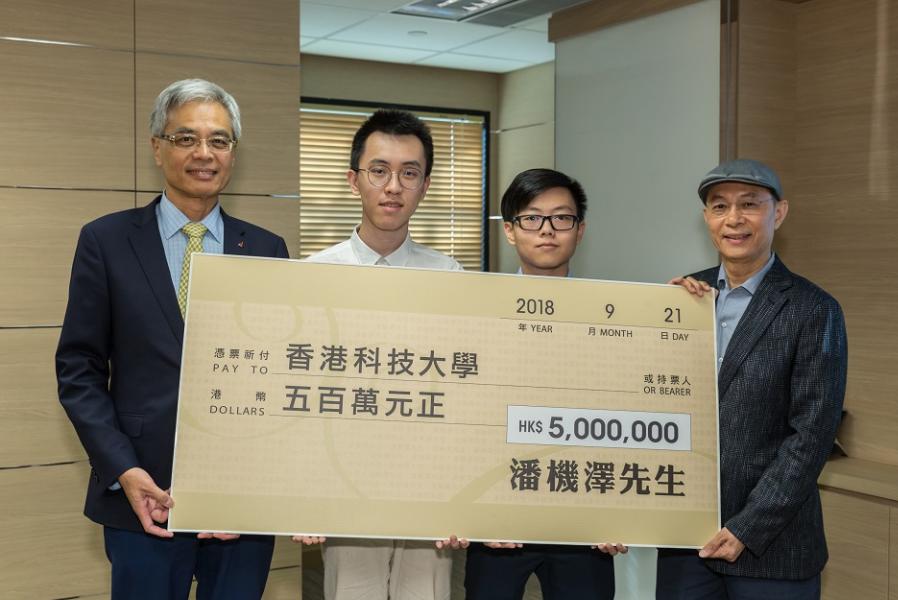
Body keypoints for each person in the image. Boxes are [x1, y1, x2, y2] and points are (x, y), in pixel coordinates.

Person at [55, 78, 288, 600]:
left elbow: (280, 376)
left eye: (220, 140)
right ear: (157, 147)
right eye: (187, 139)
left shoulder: (268, 249)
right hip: (141, 493)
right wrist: (123, 468)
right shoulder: (106, 240)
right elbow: (79, 369)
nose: (204, 154)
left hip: (240, 504)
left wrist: (257, 488)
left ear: (233, 152)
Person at [659, 159, 847, 600]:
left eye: (749, 205)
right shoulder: (682, 299)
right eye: (719, 206)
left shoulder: (813, 308)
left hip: (774, 550)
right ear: (706, 218)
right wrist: (656, 325)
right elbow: (653, 404)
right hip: (687, 544)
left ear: (778, 213)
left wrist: (746, 526)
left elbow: (811, 436)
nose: (734, 219)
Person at [299, 109, 466, 600]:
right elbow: (301, 394)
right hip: (345, 481)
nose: (393, 186)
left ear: (425, 185)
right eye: (379, 171)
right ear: (354, 180)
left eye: (409, 173)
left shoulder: (452, 278)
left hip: (428, 482)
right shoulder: (312, 276)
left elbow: (465, 394)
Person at [463, 168, 625, 600]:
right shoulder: (474, 313)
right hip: (498, 520)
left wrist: (624, 514)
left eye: (562, 218)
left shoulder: (620, 319)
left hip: (585, 521)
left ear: (581, 230)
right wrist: (475, 515)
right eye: (532, 218)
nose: (548, 230)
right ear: (511, 231)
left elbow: (629, 417)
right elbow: (463, 415)